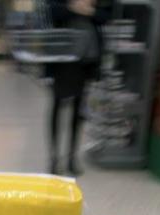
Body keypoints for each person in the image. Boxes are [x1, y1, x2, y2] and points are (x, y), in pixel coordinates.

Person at [48, 0, 110, 175]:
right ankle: (54, 158)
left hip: (87, 60)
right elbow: (51, 11)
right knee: (57, 105)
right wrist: (73, 7)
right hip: (63, 59)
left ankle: (71, 157)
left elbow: (106, 16)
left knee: (79, 110)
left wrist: (90, 11)